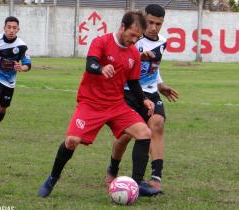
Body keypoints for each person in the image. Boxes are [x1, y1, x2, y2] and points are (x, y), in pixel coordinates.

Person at [38, 10, 162, 198]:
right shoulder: (102, 42)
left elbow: (134, 82)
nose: (134, 40)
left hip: (116, 105)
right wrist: (101, 68)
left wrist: (144, 99)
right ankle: (53, 178)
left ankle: (137, 184)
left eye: (138, 37)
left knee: (144, 133)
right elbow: (90, 64)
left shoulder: (134, 54)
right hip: (90, 104)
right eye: (132, 35)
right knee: (72, 141)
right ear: (122, 27)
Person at [105, 4, 179, 194]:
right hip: (129, 92)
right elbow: (120, 62)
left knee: (157, 125)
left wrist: (160, 85)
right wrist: (137, 56)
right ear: (143, 19)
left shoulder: (163, 42)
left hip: (151, 93)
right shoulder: (133, 40)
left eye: (158, 24)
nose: (154, 27)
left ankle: (155, 178)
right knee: (125, 137)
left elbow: (155, 67)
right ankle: (113, 168)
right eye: (150, 22)